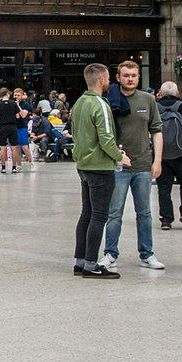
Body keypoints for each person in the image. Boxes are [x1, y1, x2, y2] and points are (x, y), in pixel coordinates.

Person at [100, 60, 164, 272]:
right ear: (118, 78)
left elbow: (156, 130)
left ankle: (147, 254)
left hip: (143, 165)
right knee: (114, 212)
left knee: (144, 212)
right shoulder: (108, 100)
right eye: (126, 75)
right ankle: (110, 253)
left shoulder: (148, 99)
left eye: (134, 75)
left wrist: (157, 160)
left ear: (139, 77)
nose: (130, 79)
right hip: (117, 166)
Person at [72, 64, 124, 279]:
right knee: (99, 215)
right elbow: (106, 138)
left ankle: (80, 261)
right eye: (109, 78)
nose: (110, 82)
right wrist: (120, 156)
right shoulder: (100, 104)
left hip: (83, 165)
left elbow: (75, 133)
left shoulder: (79, 103)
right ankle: (92, 265)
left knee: (86, 213)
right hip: (100, 166)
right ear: (101, 80)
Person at [155, 82, 182, 230]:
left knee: (164, 187)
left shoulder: (155, 107)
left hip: (161, 154)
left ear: (160, 93)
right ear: (177, 93)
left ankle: (166, 219)